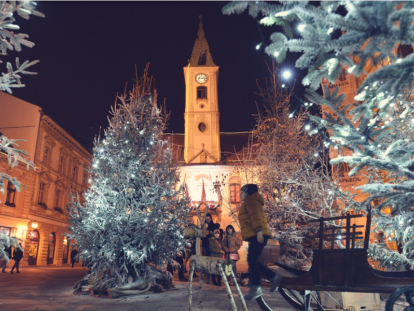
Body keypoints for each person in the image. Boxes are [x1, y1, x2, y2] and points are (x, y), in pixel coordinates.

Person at [238, 184, 282, 300]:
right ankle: (273, 277)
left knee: (251, 260)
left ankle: (257, 286)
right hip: (256, 234)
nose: (239, 194)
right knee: (253, 260)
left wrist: (258, 231)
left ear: (247, 193)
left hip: (257, 234)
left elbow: (255, 216)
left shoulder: (251, 201)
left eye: (241, 192)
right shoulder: (251, 201)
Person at [201, 213, 215, 284]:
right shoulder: (203, 226)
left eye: (209, 219)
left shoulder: (214, 225)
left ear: (211, 219)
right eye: (206, 220)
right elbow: (201, 235)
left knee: (212, 261)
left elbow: (217, 234)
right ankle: (207, 277)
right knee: (206, 261)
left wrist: (212, 233)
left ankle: (213, 278)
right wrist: (204, 233)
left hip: (212, 245)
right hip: (205, 245)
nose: (208, 221)